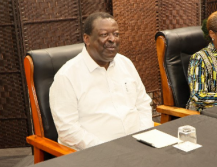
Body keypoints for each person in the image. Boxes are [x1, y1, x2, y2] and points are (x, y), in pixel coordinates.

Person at [49, 12, 153, 150]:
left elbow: (143, 104)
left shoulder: (125, 63)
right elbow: (68, 131)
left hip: (139, 144)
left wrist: (143, 135)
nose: (112, 39)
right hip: (97, 153)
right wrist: (108, 149)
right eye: (104, 35)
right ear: (87, 39)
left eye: (116, 34)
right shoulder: (67, 76)